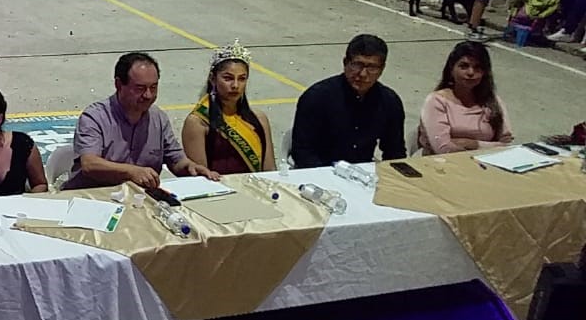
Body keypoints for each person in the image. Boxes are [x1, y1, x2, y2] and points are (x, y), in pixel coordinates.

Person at [64, 52, 218, 190]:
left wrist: (191, 168)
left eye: (153, 87)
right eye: (140, 88)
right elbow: (90, 164)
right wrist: (131, 172)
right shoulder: (94, 118)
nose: (148, 95)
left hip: (140, 199)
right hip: (93, 195)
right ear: (119, 85)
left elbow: (176, 160)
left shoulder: (159, 118)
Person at [290, 34, 407, 169]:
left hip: (362, 173)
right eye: (357, 65)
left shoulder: (390, 102)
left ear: (382, 69)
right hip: (320, 172)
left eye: (372, 67)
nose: (363, 74)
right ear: (345, 63)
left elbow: (395, 152)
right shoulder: (316, 97)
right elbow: (302, 152)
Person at [181, 41, 277, 175]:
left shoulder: (260, 119)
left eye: (242, 79)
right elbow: (200, 176)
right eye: (228, 78)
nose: (235, 85)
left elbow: (270, 171)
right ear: (213, 79)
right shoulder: (198, 123)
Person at [416, 41, 513, 155]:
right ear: (451, 69)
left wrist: (473, 144)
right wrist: (489, 146)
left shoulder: (492, 101)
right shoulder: (436, 101)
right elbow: (443, 149)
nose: (471, 72)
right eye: (464, 66)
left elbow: (507, 146)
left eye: (477, 67)